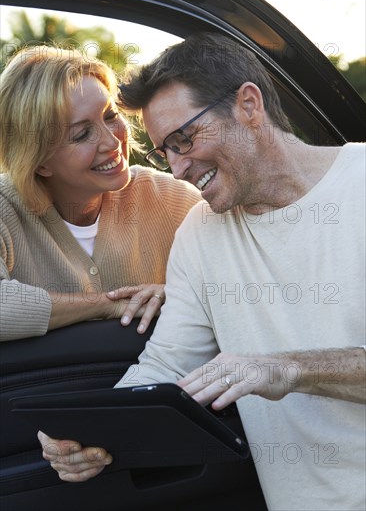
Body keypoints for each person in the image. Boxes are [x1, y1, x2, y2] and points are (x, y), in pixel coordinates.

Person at [38, 33, 365, 510]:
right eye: (162, 152)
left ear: (248, 106)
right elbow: (169, 365)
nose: (177, 168)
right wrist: (94, 434)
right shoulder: (200, 231)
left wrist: (288, 368)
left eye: (184, 139)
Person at [0, 45, 200, 341]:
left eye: (110, 115)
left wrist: (178, 295)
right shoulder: (5, 209)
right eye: (82, 134)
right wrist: (105, 305)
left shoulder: (174, 199)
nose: (112, 141)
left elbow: (238, 285)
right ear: (39, 161)